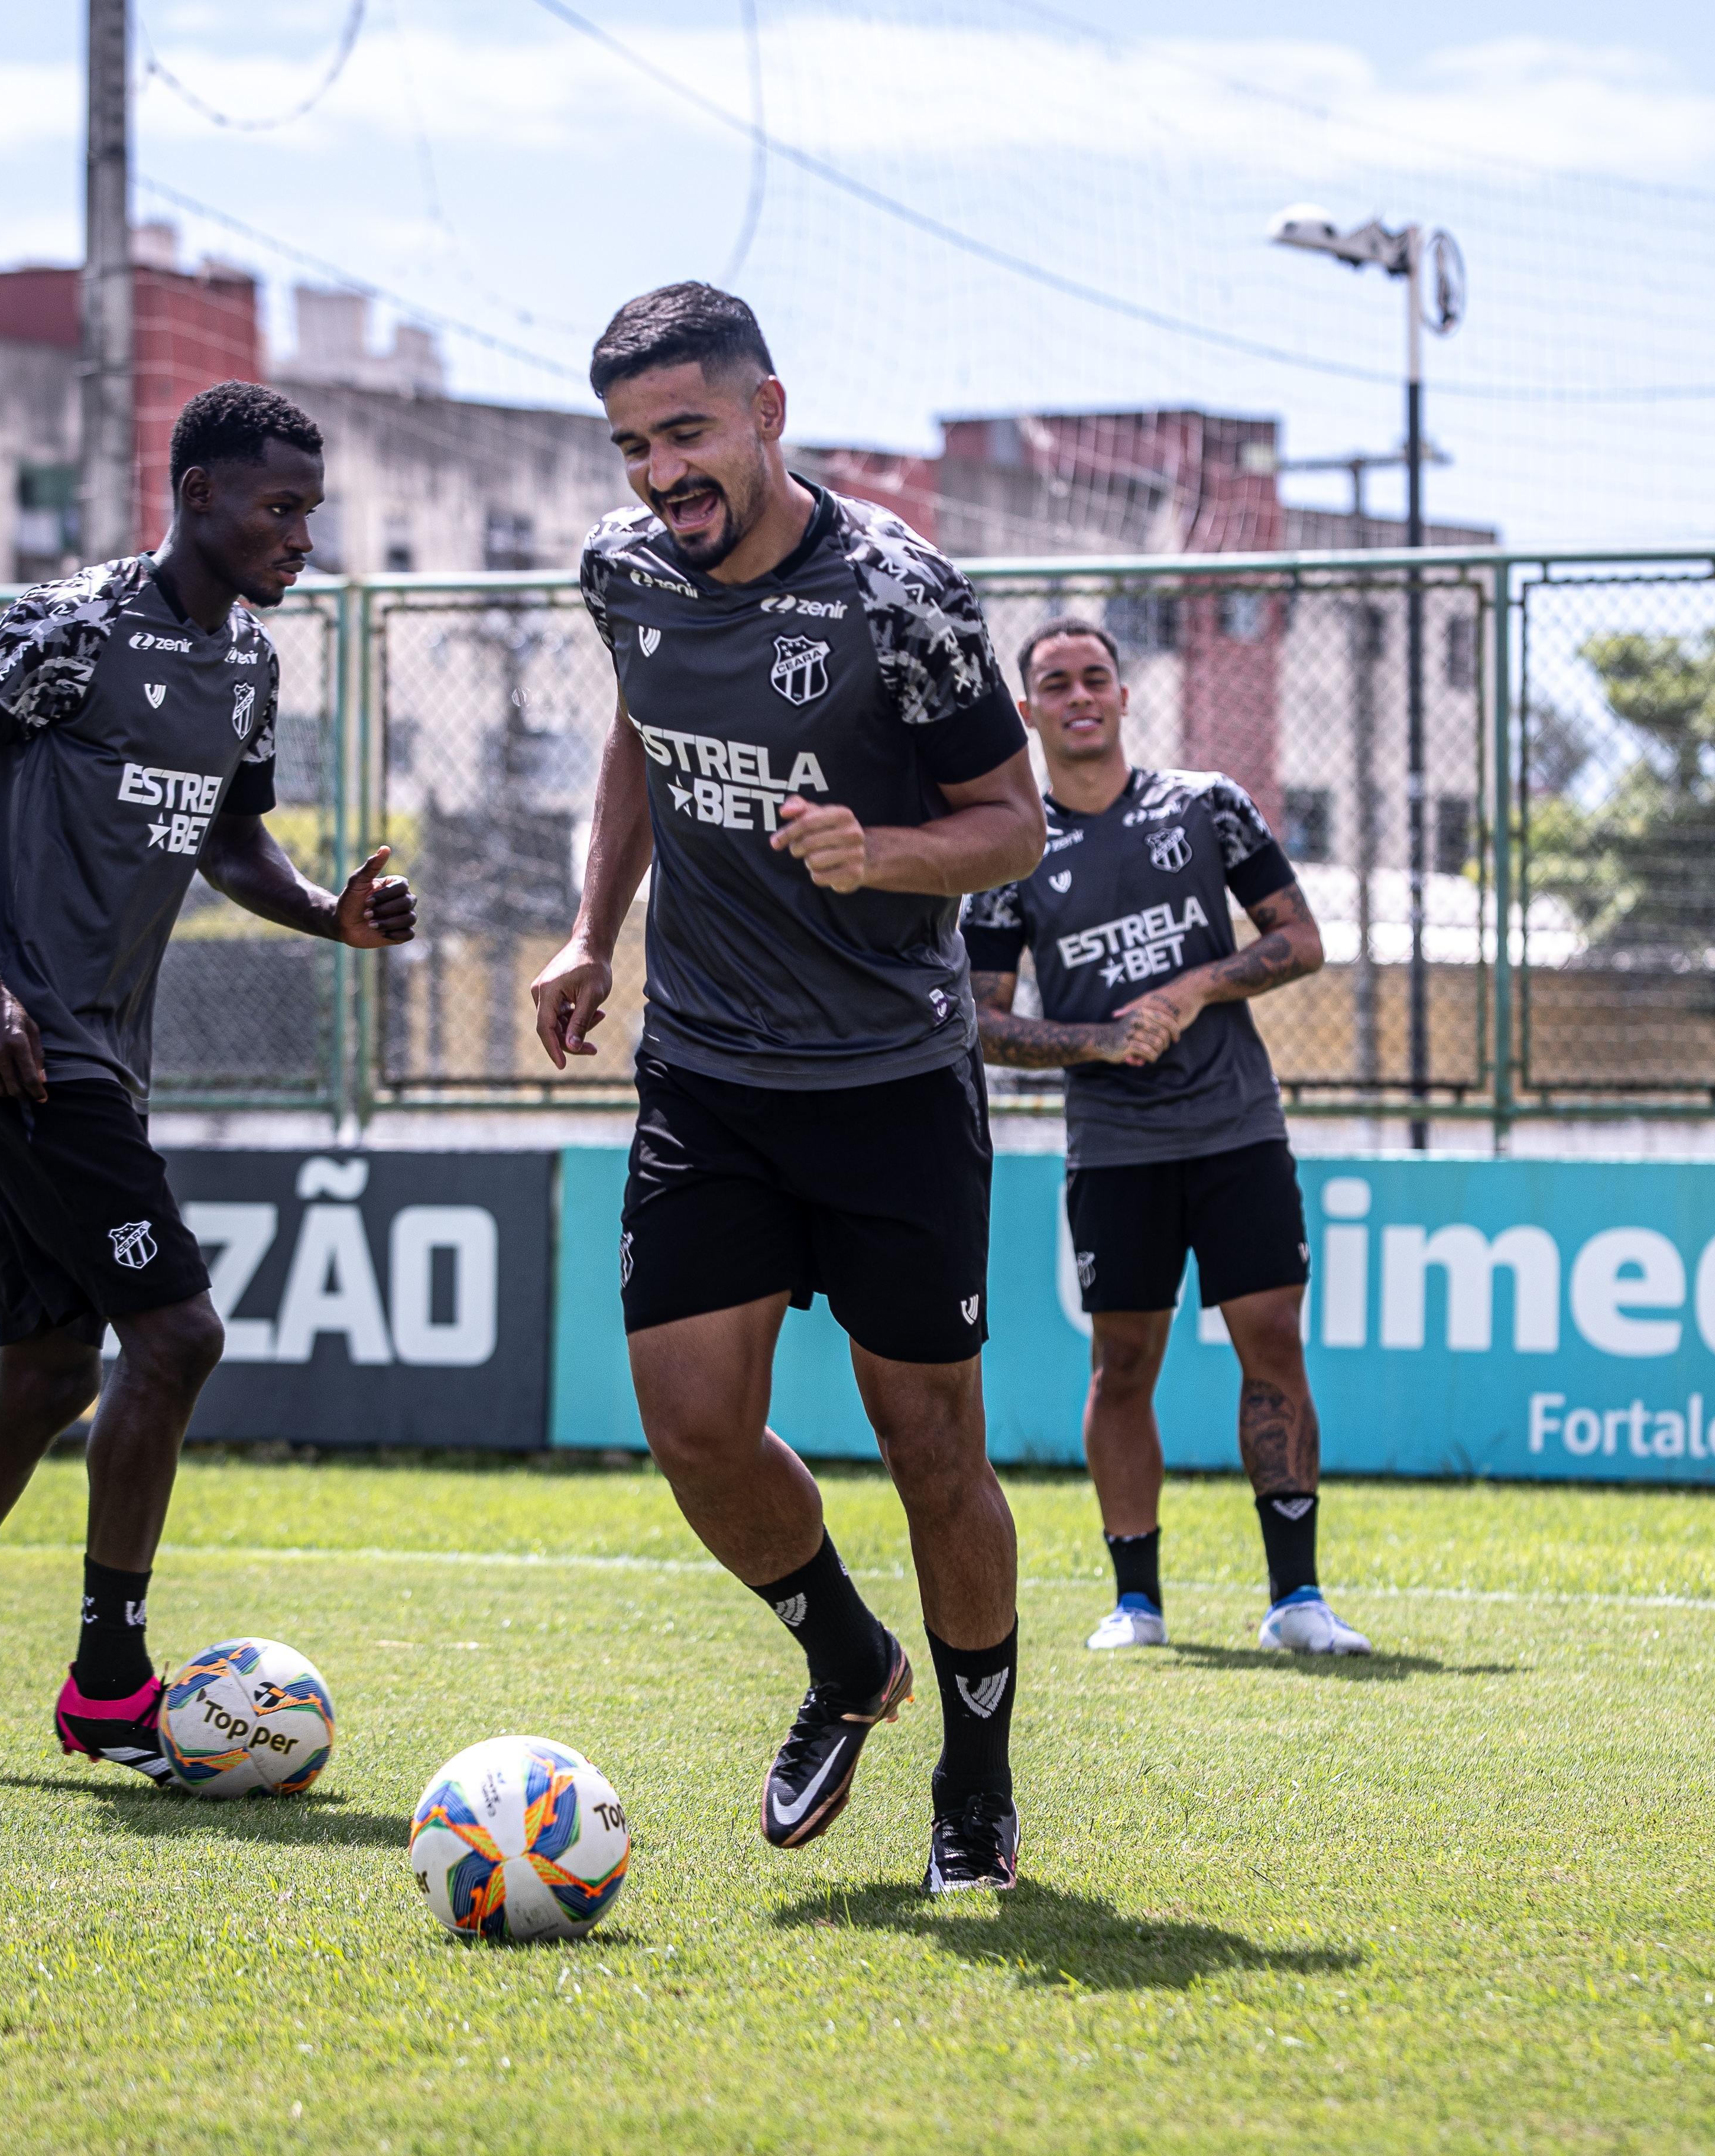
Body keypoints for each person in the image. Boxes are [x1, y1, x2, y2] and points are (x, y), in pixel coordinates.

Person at [0, 382, 416, 1778]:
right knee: (180, 1334)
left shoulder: (249, 665)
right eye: (279, 507)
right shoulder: (73, 627)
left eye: (311, 512)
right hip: (23, 1044)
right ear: (195, 495)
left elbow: (232, 845)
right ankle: (109, 1684)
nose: (300, 536)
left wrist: (331, 913)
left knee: (47, 1370)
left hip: (97, 1058)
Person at [527, 285, 1047, 1894]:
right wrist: (587, 931)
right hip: (705, 1071)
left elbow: (1014, 824)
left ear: (766, 409)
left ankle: (976, 1768)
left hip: (891, 1081)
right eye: (631, 445)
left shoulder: (902, 592)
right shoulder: (624, 572)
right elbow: (642, 736)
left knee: (931, 1450)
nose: (659, 473)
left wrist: (880, 853)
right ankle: (843, 1659)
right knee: (693, 1427)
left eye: (686, 432)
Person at [964, 619, 1371, 1658]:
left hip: (1237, 1127)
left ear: (1124, 692)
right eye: (1056, 683)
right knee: (1124, 1364)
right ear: (1030, 710)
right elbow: (981, 1019)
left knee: (1271, 1341)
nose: (1079, 695)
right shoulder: (1013, 847)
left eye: (1096, 675)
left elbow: (1302, 939)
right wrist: (1101, 1040)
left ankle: (1298, 1599)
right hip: (1114, 1148)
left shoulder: (1206, 805)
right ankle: (1136, 1603)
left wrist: (1193, 988)